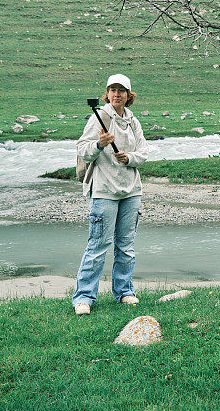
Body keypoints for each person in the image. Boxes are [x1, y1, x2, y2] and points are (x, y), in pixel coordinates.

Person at [72, 74, 149, 315]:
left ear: (129, 96)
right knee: (98, 245)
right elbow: (83, 150)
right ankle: (84, 298)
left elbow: (143, 152)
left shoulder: (133, 121)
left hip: (131, 190)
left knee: (126, 246)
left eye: (122, 90)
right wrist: (99, 144)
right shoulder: (100, 117)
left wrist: (129, 157)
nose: (117, 94)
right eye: (112, 90)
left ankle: (125, 292)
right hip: (104, 191)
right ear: (107, 94)